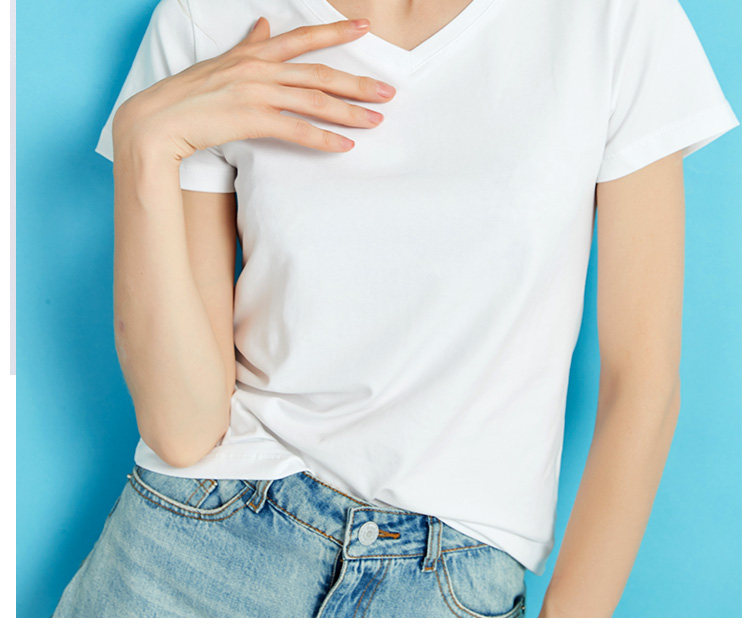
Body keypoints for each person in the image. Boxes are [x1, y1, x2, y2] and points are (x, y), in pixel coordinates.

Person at [52, 0, 739, 618]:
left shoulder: (614, 19)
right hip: (198, 548)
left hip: (448, 583)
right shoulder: (216, 16)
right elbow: (183, 430)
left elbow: (642, 383)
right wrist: (143, 140)